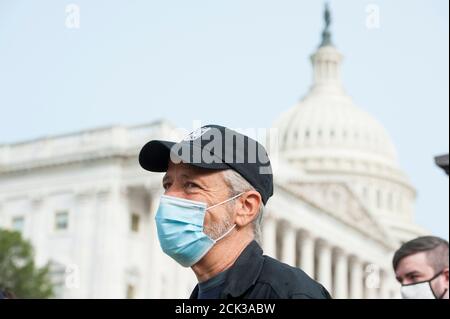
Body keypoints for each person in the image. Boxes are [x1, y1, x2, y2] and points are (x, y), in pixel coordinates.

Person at [139, 124, 331, 299]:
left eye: (191, 185)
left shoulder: (291, 294)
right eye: (167, 184)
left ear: (245, 207)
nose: (169, 197)